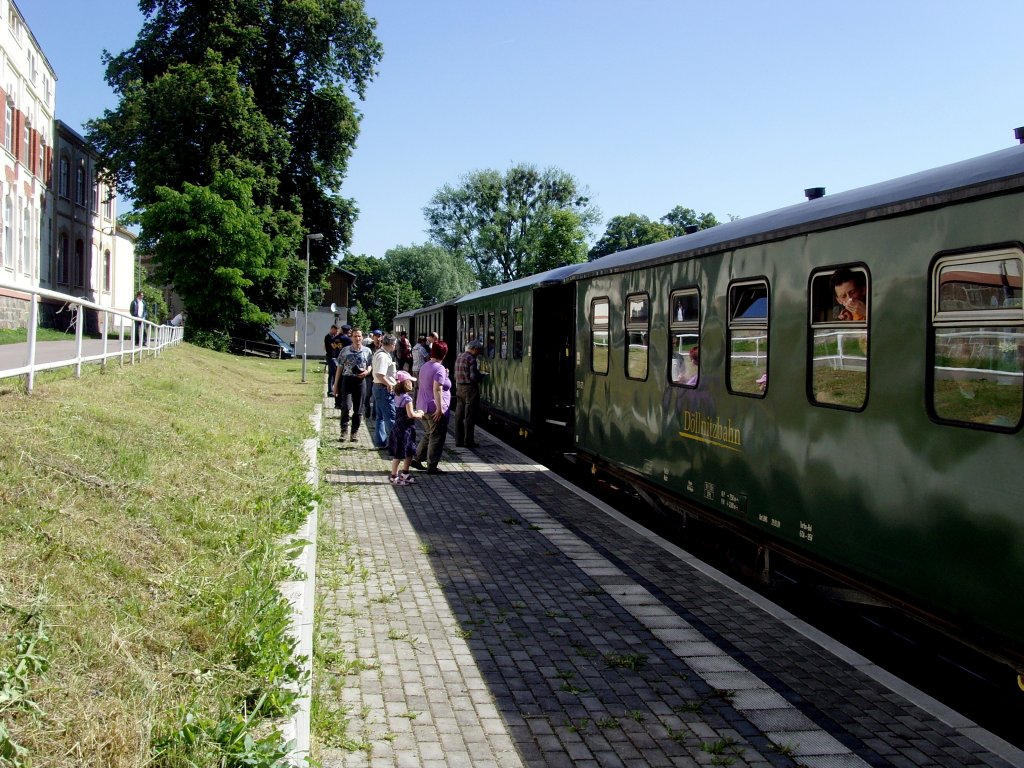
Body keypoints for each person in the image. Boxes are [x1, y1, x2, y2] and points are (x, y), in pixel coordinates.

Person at [410, 340, 452, 475]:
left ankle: (417, 458)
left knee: (429, 434)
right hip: (434, 408)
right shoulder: (439, 368)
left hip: (423, 405)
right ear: (444, 354)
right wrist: (440, 409)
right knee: (436, 437)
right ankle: (432, 466)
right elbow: (437, 389)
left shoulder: (425, 366)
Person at [333, 328, 372, 442]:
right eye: (355, 336)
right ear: (351, 337)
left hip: (360, 381)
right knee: (346, 406)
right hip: (347, 380)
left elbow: (370, 364)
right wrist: (335, 385)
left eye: (359, 336)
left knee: (358, 409)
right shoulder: (345, 351)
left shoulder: (367, 351)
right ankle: (343, 431)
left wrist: (367, 372)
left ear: (362, 337)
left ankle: (354, 432)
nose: (357, 338)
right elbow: (339, 368)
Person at [387, 371, 424, 485]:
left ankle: (405, 474)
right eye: (410, 382)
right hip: (406, 429)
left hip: (398, 427)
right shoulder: (407, 399)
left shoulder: (397, 396)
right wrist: (420, 413)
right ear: (406, 384)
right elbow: (410, 415)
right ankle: (394, 476)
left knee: (408, 451)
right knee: (401, 453)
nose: (412, 384)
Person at [454, 339, 485, 448]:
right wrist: (481, 376)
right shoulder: (471, 359)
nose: (479, 353)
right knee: (469, 416)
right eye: (478, 350)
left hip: (459, 388)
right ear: (474, 349)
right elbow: (473, 377)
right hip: (470, 389)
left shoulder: (459, 356)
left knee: (459, 416)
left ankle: (458, 441)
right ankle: (468, 441)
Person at [371, 334, 399, 448]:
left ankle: (380, 442)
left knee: (380, 417)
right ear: (391, 344)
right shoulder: (383, 356)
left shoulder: (381, 353)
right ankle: (395, 444)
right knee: (390, 417)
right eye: (395, 344)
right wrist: (389, 384)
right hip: (383, 389)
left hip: (378, 387)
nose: (395, 346)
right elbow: (380, 374)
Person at [324, 324, 340, 398]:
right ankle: (332, 390)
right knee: (334, 373)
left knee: (331, 374)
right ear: (332, 329)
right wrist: (338, 343)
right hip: (330, 357)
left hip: (333, 357)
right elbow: (334, 346)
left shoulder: (333, 337)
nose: (336, 332)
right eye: (336, 330)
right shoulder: (328, 337)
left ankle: (330, 390)